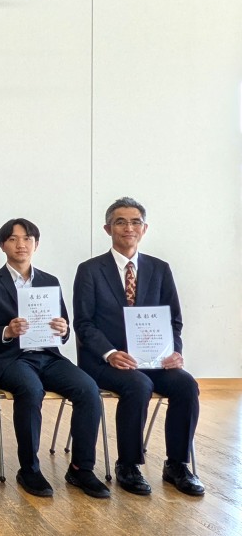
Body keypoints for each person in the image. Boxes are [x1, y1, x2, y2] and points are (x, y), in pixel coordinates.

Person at [73, 197, 204, 496]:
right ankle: (129, 465)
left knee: (186, 385)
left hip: (153, 358)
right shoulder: (90, 270)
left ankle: (177, 465)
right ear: (108, 229)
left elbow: (173, 319)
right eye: (120, 222)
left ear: (144, 229)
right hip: (104, 361)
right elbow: (84, 323)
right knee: (138, 385)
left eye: (135, 222)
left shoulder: (160, 268)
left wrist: (175, 351)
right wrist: (110, 353)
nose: (128, 228)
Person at [0, 218, 108, 498]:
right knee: (31, 390)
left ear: (36, 244)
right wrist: (6, 331)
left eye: (27, 239)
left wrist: (63, 329)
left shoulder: (49, 281)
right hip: (10, 359)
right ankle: (29, 469)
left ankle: (81, 468)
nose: (21, 244)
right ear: (2, 245)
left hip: (48, 356)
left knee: (88, 389)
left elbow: (64, 330)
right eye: (13, 239)